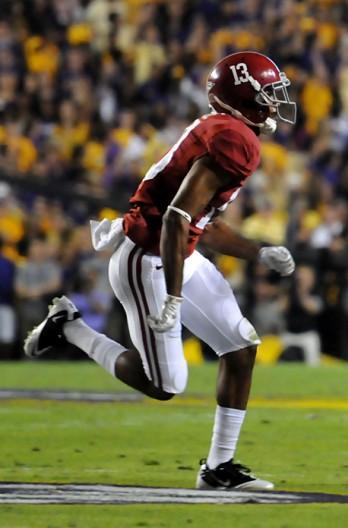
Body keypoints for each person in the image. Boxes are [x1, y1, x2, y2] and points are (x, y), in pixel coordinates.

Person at [23, 51, 297, 492]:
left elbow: (199, 223)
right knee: (165, 383)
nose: (274, 103)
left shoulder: (226, 131)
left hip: (174, 253)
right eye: (267, 94)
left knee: (241, 346)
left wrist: (258, 253)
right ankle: (71, 329)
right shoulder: (235, 140)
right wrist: (172, 296)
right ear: (242, 98)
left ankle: (218, 468)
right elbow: (175, 219)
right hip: (147, 258)